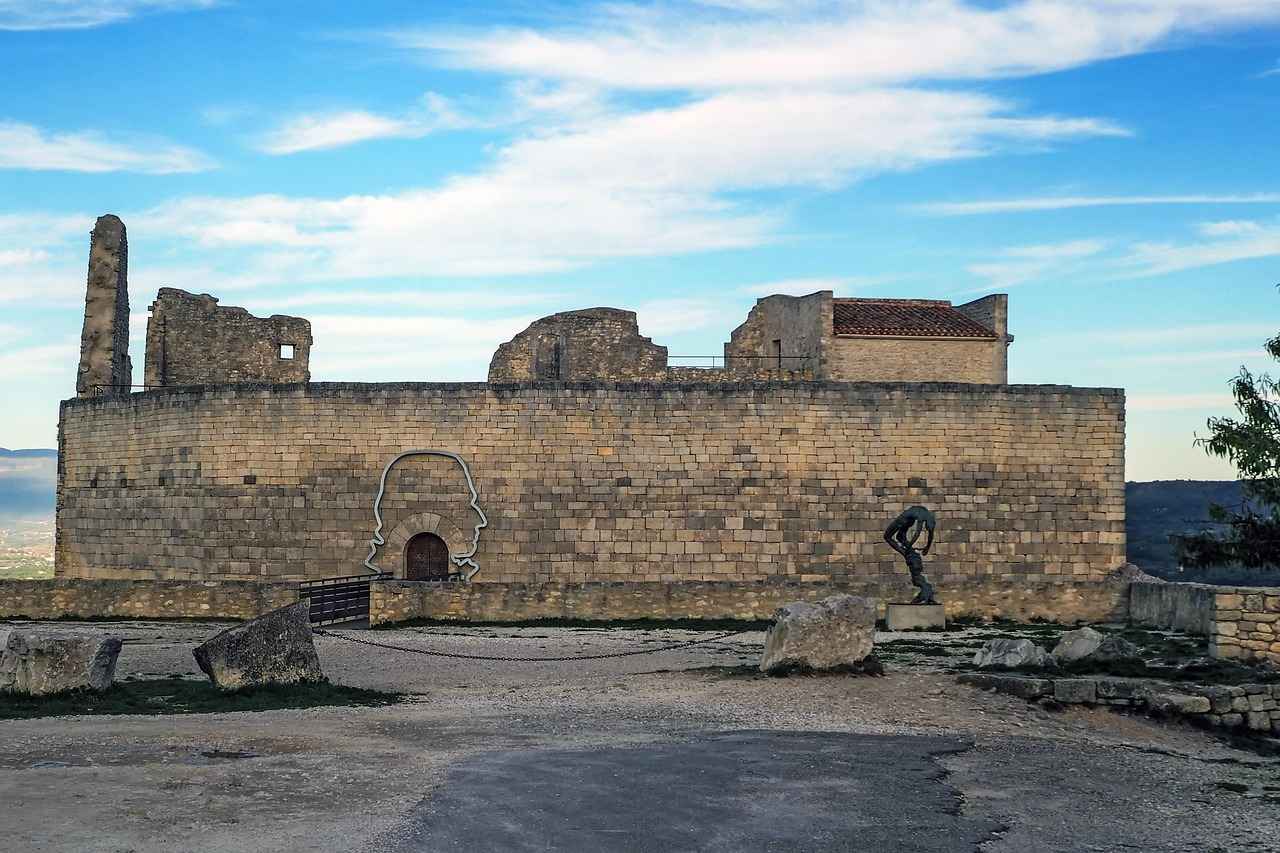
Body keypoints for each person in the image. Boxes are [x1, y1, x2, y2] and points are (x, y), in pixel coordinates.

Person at [883, 505, 938, 605]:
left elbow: (930, 535)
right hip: (904, 519)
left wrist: (926, 548)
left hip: (908, 521)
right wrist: (910, 548)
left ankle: (925, 594)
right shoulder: (923, 516)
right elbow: (916, 534)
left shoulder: (928, 518)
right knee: (892, 536)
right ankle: (905, 551)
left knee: (889, 537)